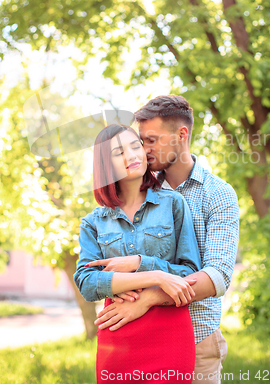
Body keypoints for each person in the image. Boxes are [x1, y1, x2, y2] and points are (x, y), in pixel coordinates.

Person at [95, 96, 240, 384]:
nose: (143, 150)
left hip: (197, 339)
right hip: (135, 336)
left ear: (181, 135)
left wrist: (148, 299)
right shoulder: (136, 188)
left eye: (151, 140)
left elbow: (218, 275)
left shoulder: (218, 194)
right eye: (141, 141)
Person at [74, 123, 202, 383]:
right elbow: (87, 283)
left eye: (136, 146)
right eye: (119, 152)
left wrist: (139, 263)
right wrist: (154, 276)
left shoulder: (173, 203)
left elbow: (190, 273)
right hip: (118, 331)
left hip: (170, 332)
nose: (132, 155)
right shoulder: (93, 222)